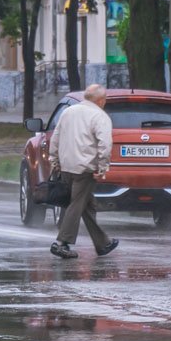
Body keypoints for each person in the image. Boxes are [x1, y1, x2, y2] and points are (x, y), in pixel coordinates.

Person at [48, 84, 118, 259]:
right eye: (105, 99)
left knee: (87, 205)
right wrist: (103, 167)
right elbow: (105, 144)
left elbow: (56, 137)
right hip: (85, 168)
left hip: (66, 166)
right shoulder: (99, 116)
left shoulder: (68, 112)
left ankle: (102, 243)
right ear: (100, 100)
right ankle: (61, 243)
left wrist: (54, 159)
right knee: (77, 204)